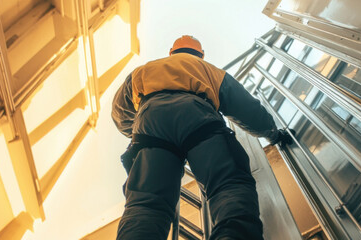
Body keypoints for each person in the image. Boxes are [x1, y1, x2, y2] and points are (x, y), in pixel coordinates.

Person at [111, 35, 292, 240]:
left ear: (171, 51)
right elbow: (247, 109)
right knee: (227, 184)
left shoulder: (143, 70)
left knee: (145, 205)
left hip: (151, 123)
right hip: (198, 118)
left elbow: (119, 113)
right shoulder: (209, 70)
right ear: (202, 55)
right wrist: (273, 134)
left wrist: (138, 134)